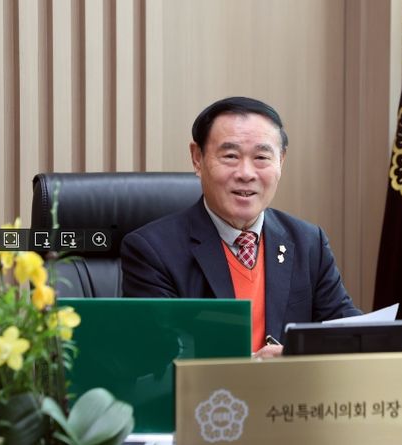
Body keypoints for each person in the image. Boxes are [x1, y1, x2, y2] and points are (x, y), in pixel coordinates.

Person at [121, 96, 361, 358]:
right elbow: (160, 355)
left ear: (281, 161)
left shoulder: (308, 242)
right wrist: (254, 367)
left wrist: (296, 358)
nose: (246, 173)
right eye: (231, 156)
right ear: (197, 158)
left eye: (261, 157)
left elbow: (348, 336)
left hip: (292, 385)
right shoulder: (152, 251)